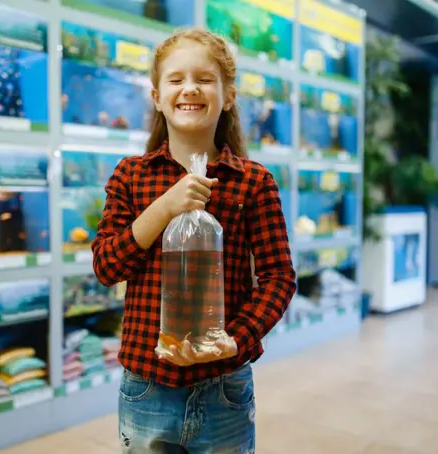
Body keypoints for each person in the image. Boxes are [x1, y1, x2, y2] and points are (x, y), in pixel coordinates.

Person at [91, 29, 297, 454]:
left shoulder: (253, 182)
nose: (190, 89)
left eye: (205, 79)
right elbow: (107, 268)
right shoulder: (131, 176)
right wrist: (163, 208)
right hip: (147, 385)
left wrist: (236, 338)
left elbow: (279, 278)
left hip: (225, 386)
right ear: (156, 95)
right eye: (176, 79)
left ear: (228, 95)